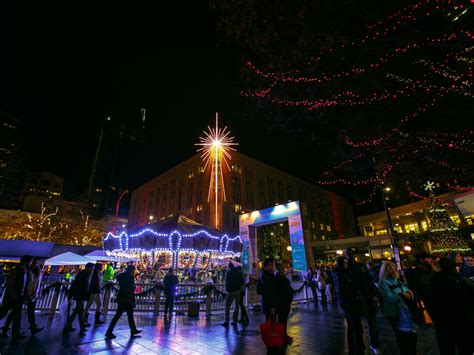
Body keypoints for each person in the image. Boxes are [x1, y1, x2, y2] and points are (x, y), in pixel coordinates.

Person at [333, 252, 380, 355]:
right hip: (350, 304)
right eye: (344, 262)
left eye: (346, 262)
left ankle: (358, 347)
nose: (346, 263)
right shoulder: (340, 274)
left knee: (356, 327)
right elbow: (342, 291)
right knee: (355, 327)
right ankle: (357, 348)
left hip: (354, 302)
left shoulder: (347, 271)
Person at [429, 257, 474, 355]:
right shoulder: (460, 280)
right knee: (465, 347)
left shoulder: (435, 280)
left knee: (447, 348)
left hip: (444, 322)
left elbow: (432, 302)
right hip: (463, 321)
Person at [378, 261, 417, 355]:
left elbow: (407, 290)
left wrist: (408, 294)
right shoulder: (383, 282)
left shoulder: (397, 280)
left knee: (411, 334)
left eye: (393, 268)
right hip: (393, 312)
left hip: (405, 310)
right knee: (402, 337)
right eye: (389, 269)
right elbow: (389, 297)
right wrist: (402, 294)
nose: (392, 270)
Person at [0, 255, 33, 343]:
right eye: (30, 262)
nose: (31, 263)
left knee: (17, 316)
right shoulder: (17, 270)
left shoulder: (26, 271)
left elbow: (24, 285)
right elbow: (10, 284)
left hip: (18, 297)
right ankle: (12, 334)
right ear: (26, 262)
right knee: (3, 313)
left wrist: (24, 296)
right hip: (12, 297)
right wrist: (15, 296)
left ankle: (15, 335)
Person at [105, 265, 142, 339]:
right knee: (123, 316)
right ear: (131, 270)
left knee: (125, 316)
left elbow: (119, 278)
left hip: (122, 298)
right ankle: (109, 331)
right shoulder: (130, 277)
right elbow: (130, 288)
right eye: (133, 270)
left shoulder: (122, 276)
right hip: (127, 299)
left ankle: (133, 330)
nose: (134, 272)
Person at [64, 262, 94, 334]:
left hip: (80, 295)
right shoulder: (83, 275)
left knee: (77, 311)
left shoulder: (84, 274)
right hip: (80, 295)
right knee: (80, 311)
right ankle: (82, 327)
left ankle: (69, 325)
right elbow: (80, 286)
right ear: (87, 268)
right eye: (91, 268)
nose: (92, 270)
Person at [410, 252, 436, 318]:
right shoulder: (417, 272)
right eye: (428, 258)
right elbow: (421, 286)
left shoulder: (431, 269)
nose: (431, 260)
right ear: (421, 260)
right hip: (429, 298)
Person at [275, 264, 294, 344]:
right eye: (283, 268)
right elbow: (283, 289)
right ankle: (281, 336)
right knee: (282, 320)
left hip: (285, 301)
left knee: (283, 320)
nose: (284, 269)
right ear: (280, 269)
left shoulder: (280, 277)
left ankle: (283, 335)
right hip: (283, 302)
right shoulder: (279, 278)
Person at [221, 261, 243, 327]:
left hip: (231, 291)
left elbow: (227, 282)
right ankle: (235, 321)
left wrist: (227, 290)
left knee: (227, 306)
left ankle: (226, 321)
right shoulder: (239, 273)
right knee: (237, 306)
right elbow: (241, 282)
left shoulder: (229, 272)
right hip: (238, 290)